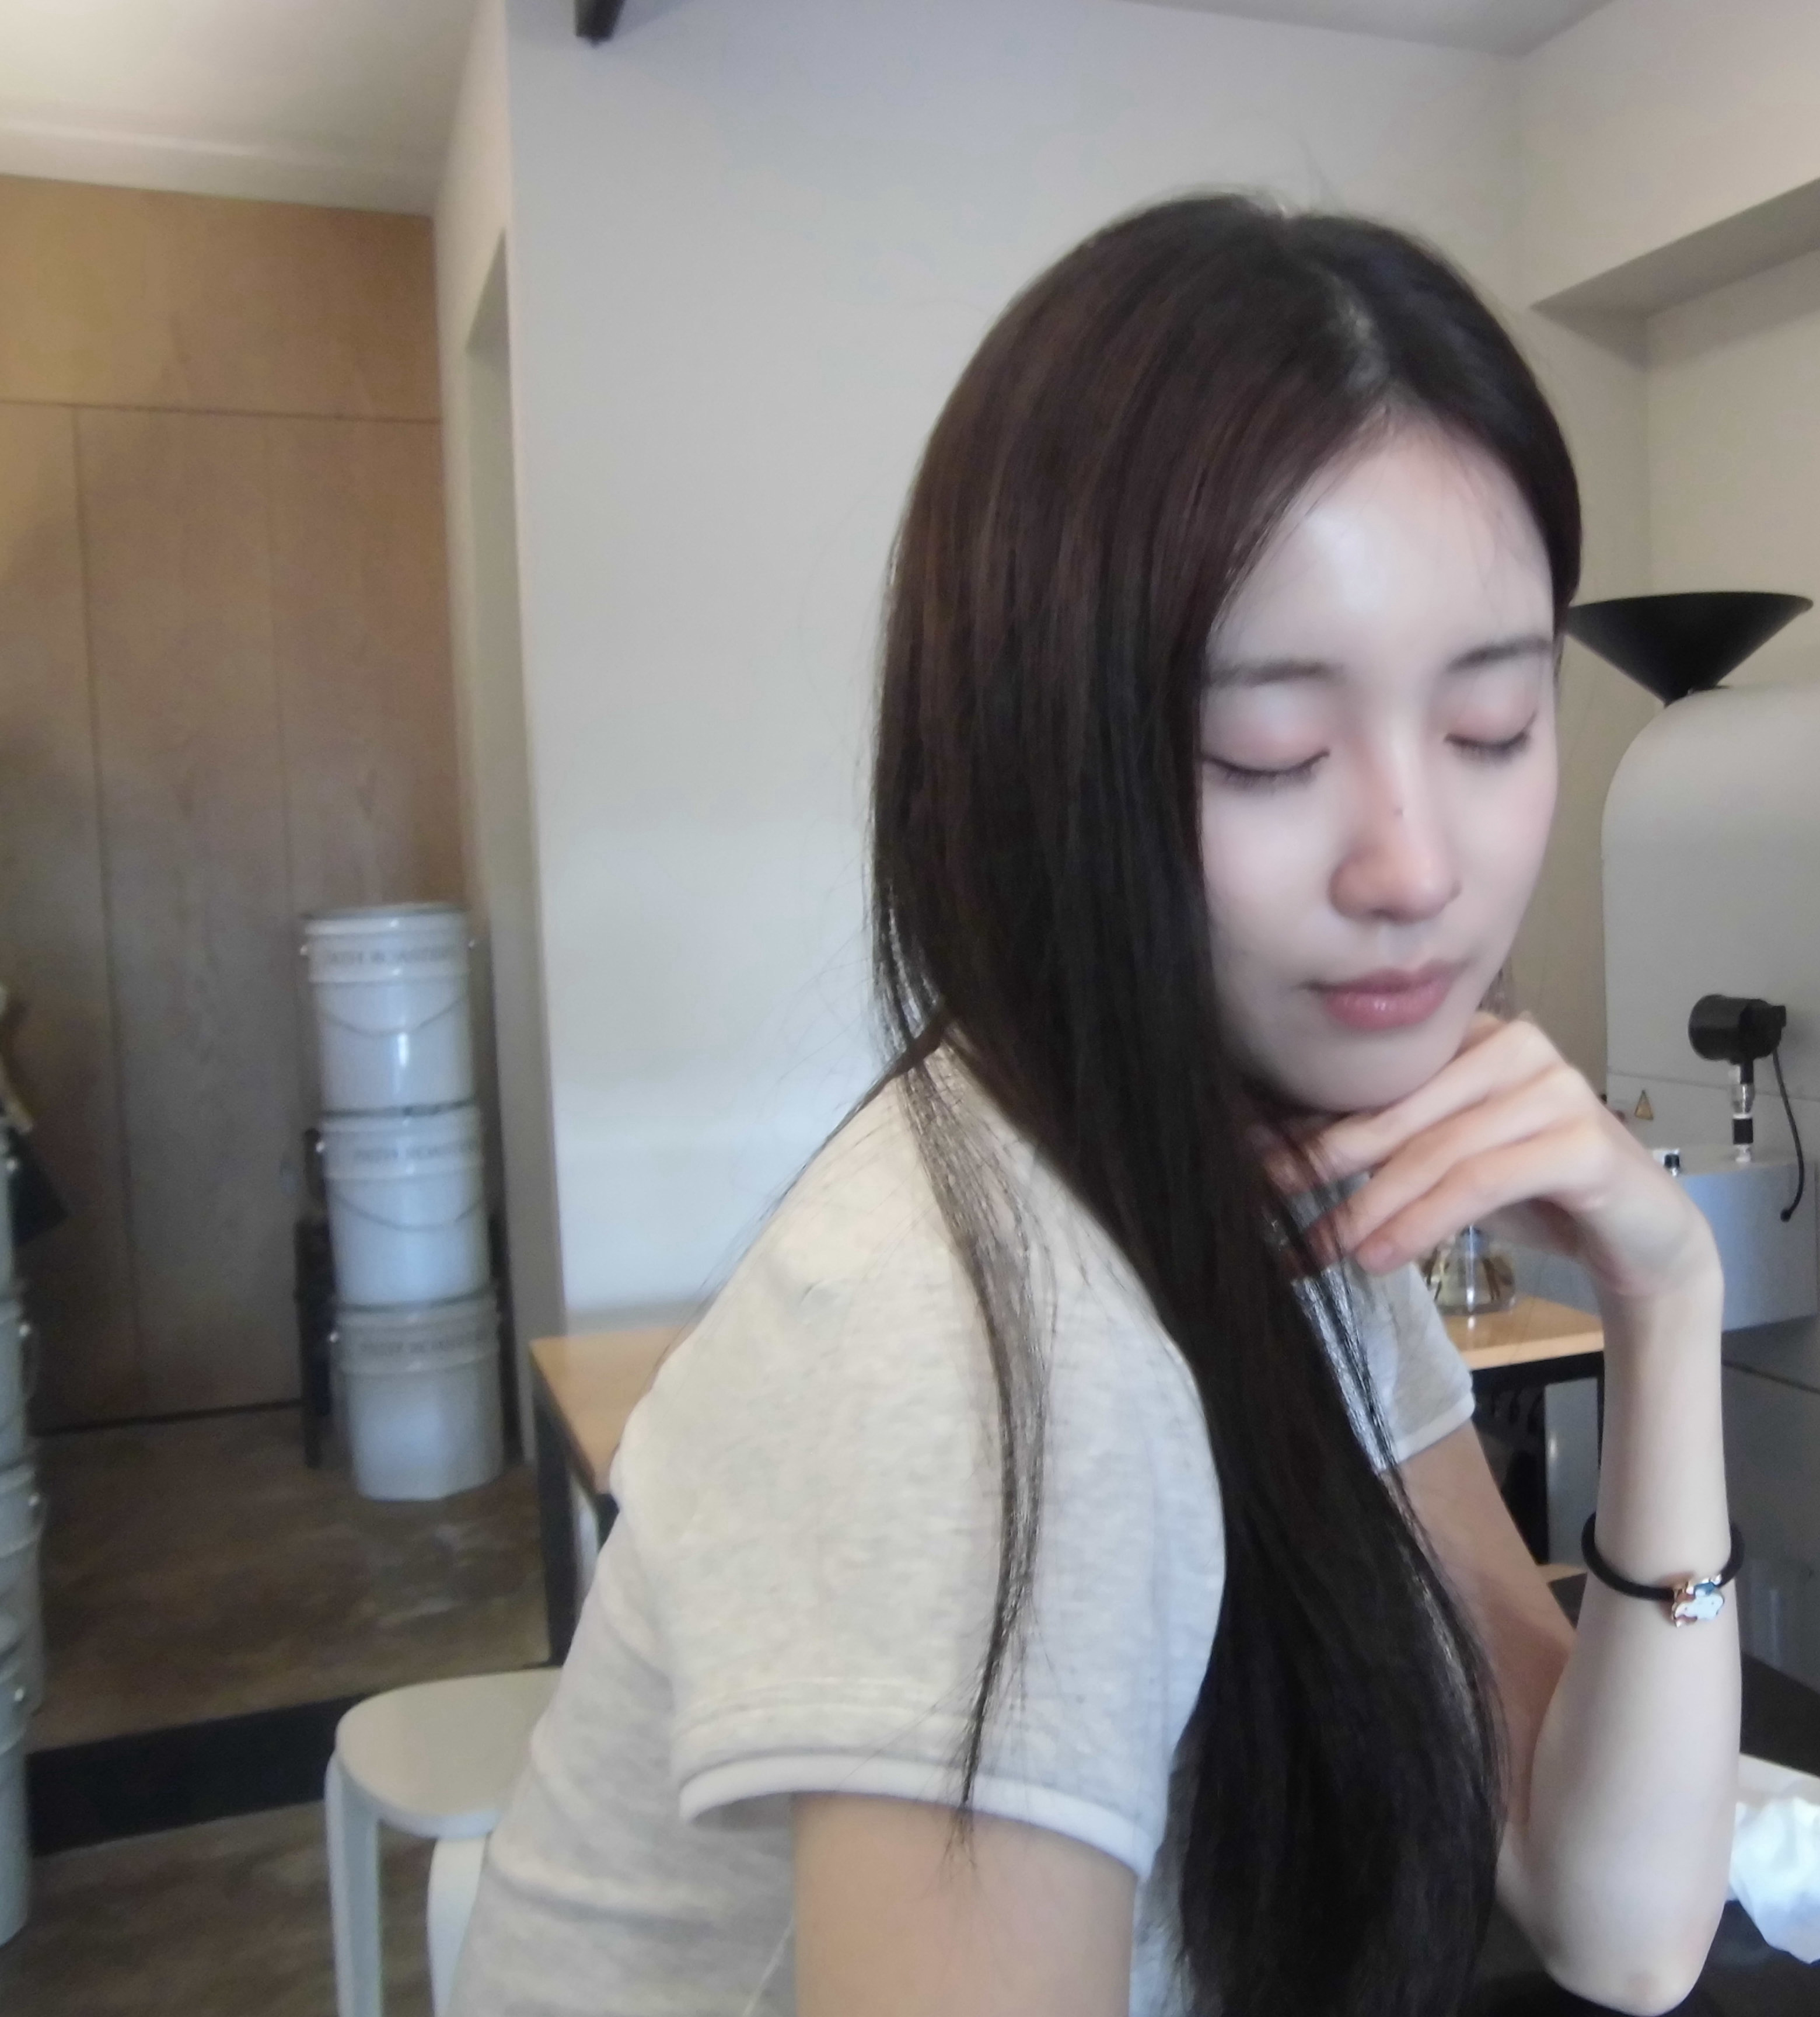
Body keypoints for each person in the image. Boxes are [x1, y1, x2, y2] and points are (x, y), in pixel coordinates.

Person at [449, 194, 1737, 2017]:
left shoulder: (1268, 1179)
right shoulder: (994, 1346)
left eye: (1491, 729)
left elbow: (1623, 1921)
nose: (1415, 865)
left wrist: (1666, 1298)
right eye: (1269, 750)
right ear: (1041, 749)